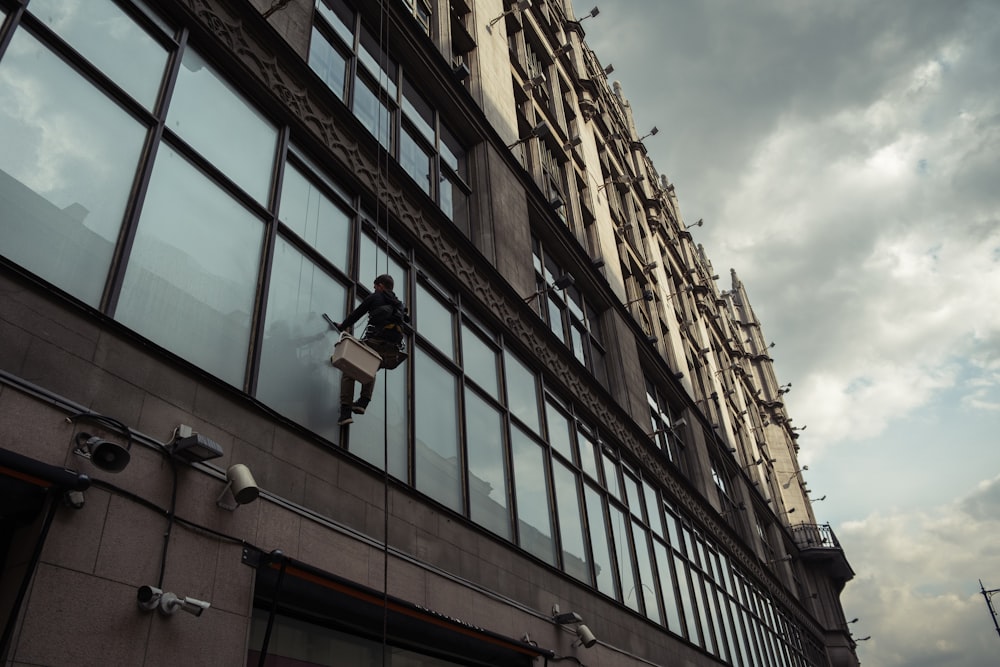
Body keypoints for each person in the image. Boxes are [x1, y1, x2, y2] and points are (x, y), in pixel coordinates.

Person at [335, 274, 407, 426]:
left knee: (349, 372)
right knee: (370, 367)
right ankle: (363, 402)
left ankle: (345, 412)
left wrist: (342, 326)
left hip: (375, 341)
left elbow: (357, 314)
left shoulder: (376, 297)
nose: (374, 289)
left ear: (380, 285)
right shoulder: (399, 305)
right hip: (391, 350)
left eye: (375, 286)